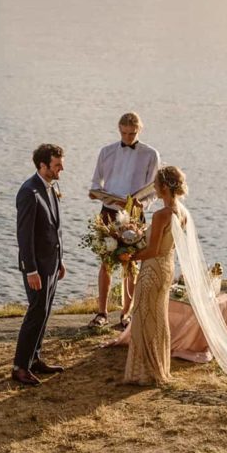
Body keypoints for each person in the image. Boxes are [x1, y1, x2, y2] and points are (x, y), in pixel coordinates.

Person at [88, 112, 160, 330]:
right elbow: (95, 183)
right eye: (124, 133)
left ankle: (126, 313)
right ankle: (102, 312)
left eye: (133, 133)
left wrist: (141, 205)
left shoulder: (151, 154)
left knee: (131, 263)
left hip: (134, 214)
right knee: (106, 263)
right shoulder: (106, 152)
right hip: (108, 211)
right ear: (119, 129)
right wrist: (96, 193)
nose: (128, 137)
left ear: (140, 130)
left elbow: (155, 190)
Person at [119, 166, 187, 386]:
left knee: (142, 318)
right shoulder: (182, 212)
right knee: (158, 319)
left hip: (152, 270)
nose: (154, 189)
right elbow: (164, 244)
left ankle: (144, 372)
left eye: (156, 185)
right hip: (167, 269)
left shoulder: (161, 215)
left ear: (165, 187)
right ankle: (160, 366)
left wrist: (129, 257)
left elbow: (152, 250)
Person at [12, 144, 67, 386]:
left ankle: (34, 359)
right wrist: (31, 269)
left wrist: (60, 260)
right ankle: (20, 367)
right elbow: (24, 236)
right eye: (57, 165)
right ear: (42, 166)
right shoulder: (29, 192)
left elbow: (54, 229)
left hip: (52, 264)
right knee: (35, 313)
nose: (61, 168)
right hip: (37, 268)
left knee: (44, 312)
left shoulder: (50, 187)